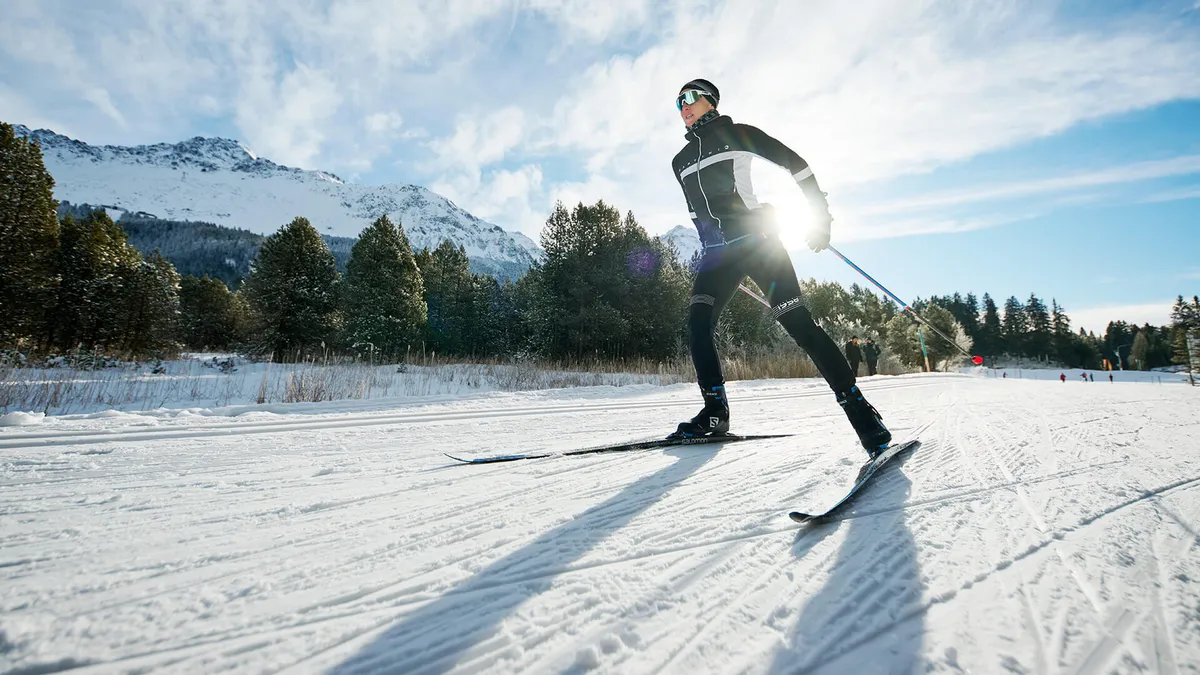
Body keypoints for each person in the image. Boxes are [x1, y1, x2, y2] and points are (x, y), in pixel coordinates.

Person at [667, 78, 891, 454]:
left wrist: (819, 217)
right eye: (678, 103)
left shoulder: (737, 134)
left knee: (799, 325)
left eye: (690, 98)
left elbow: (796, 164)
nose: (683, 106)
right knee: (698, 322)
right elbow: (695, 212)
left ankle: (863, 416)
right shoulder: (680, 161)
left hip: (758, 243)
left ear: (711, 102)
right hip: (718, 255)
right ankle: (714, 412)